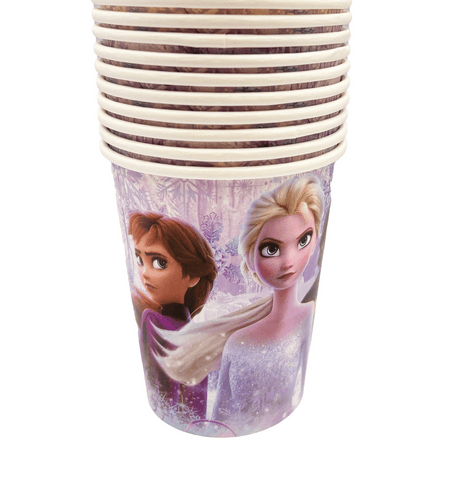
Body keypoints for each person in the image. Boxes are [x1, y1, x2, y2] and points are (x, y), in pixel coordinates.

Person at [154, 176, 324, 435]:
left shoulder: (305, 318)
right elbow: (220, 416)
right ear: (250, 257)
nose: (289, 261)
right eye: (270, 249)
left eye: (303, 240)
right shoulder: (236, 342)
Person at [128, 212, 217, 421]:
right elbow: (196, 414)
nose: (144, 273)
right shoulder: (198, 339)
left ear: (193, 276)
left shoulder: (153, 321)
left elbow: (161, 395)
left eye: (159, 262)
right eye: (140, 259)